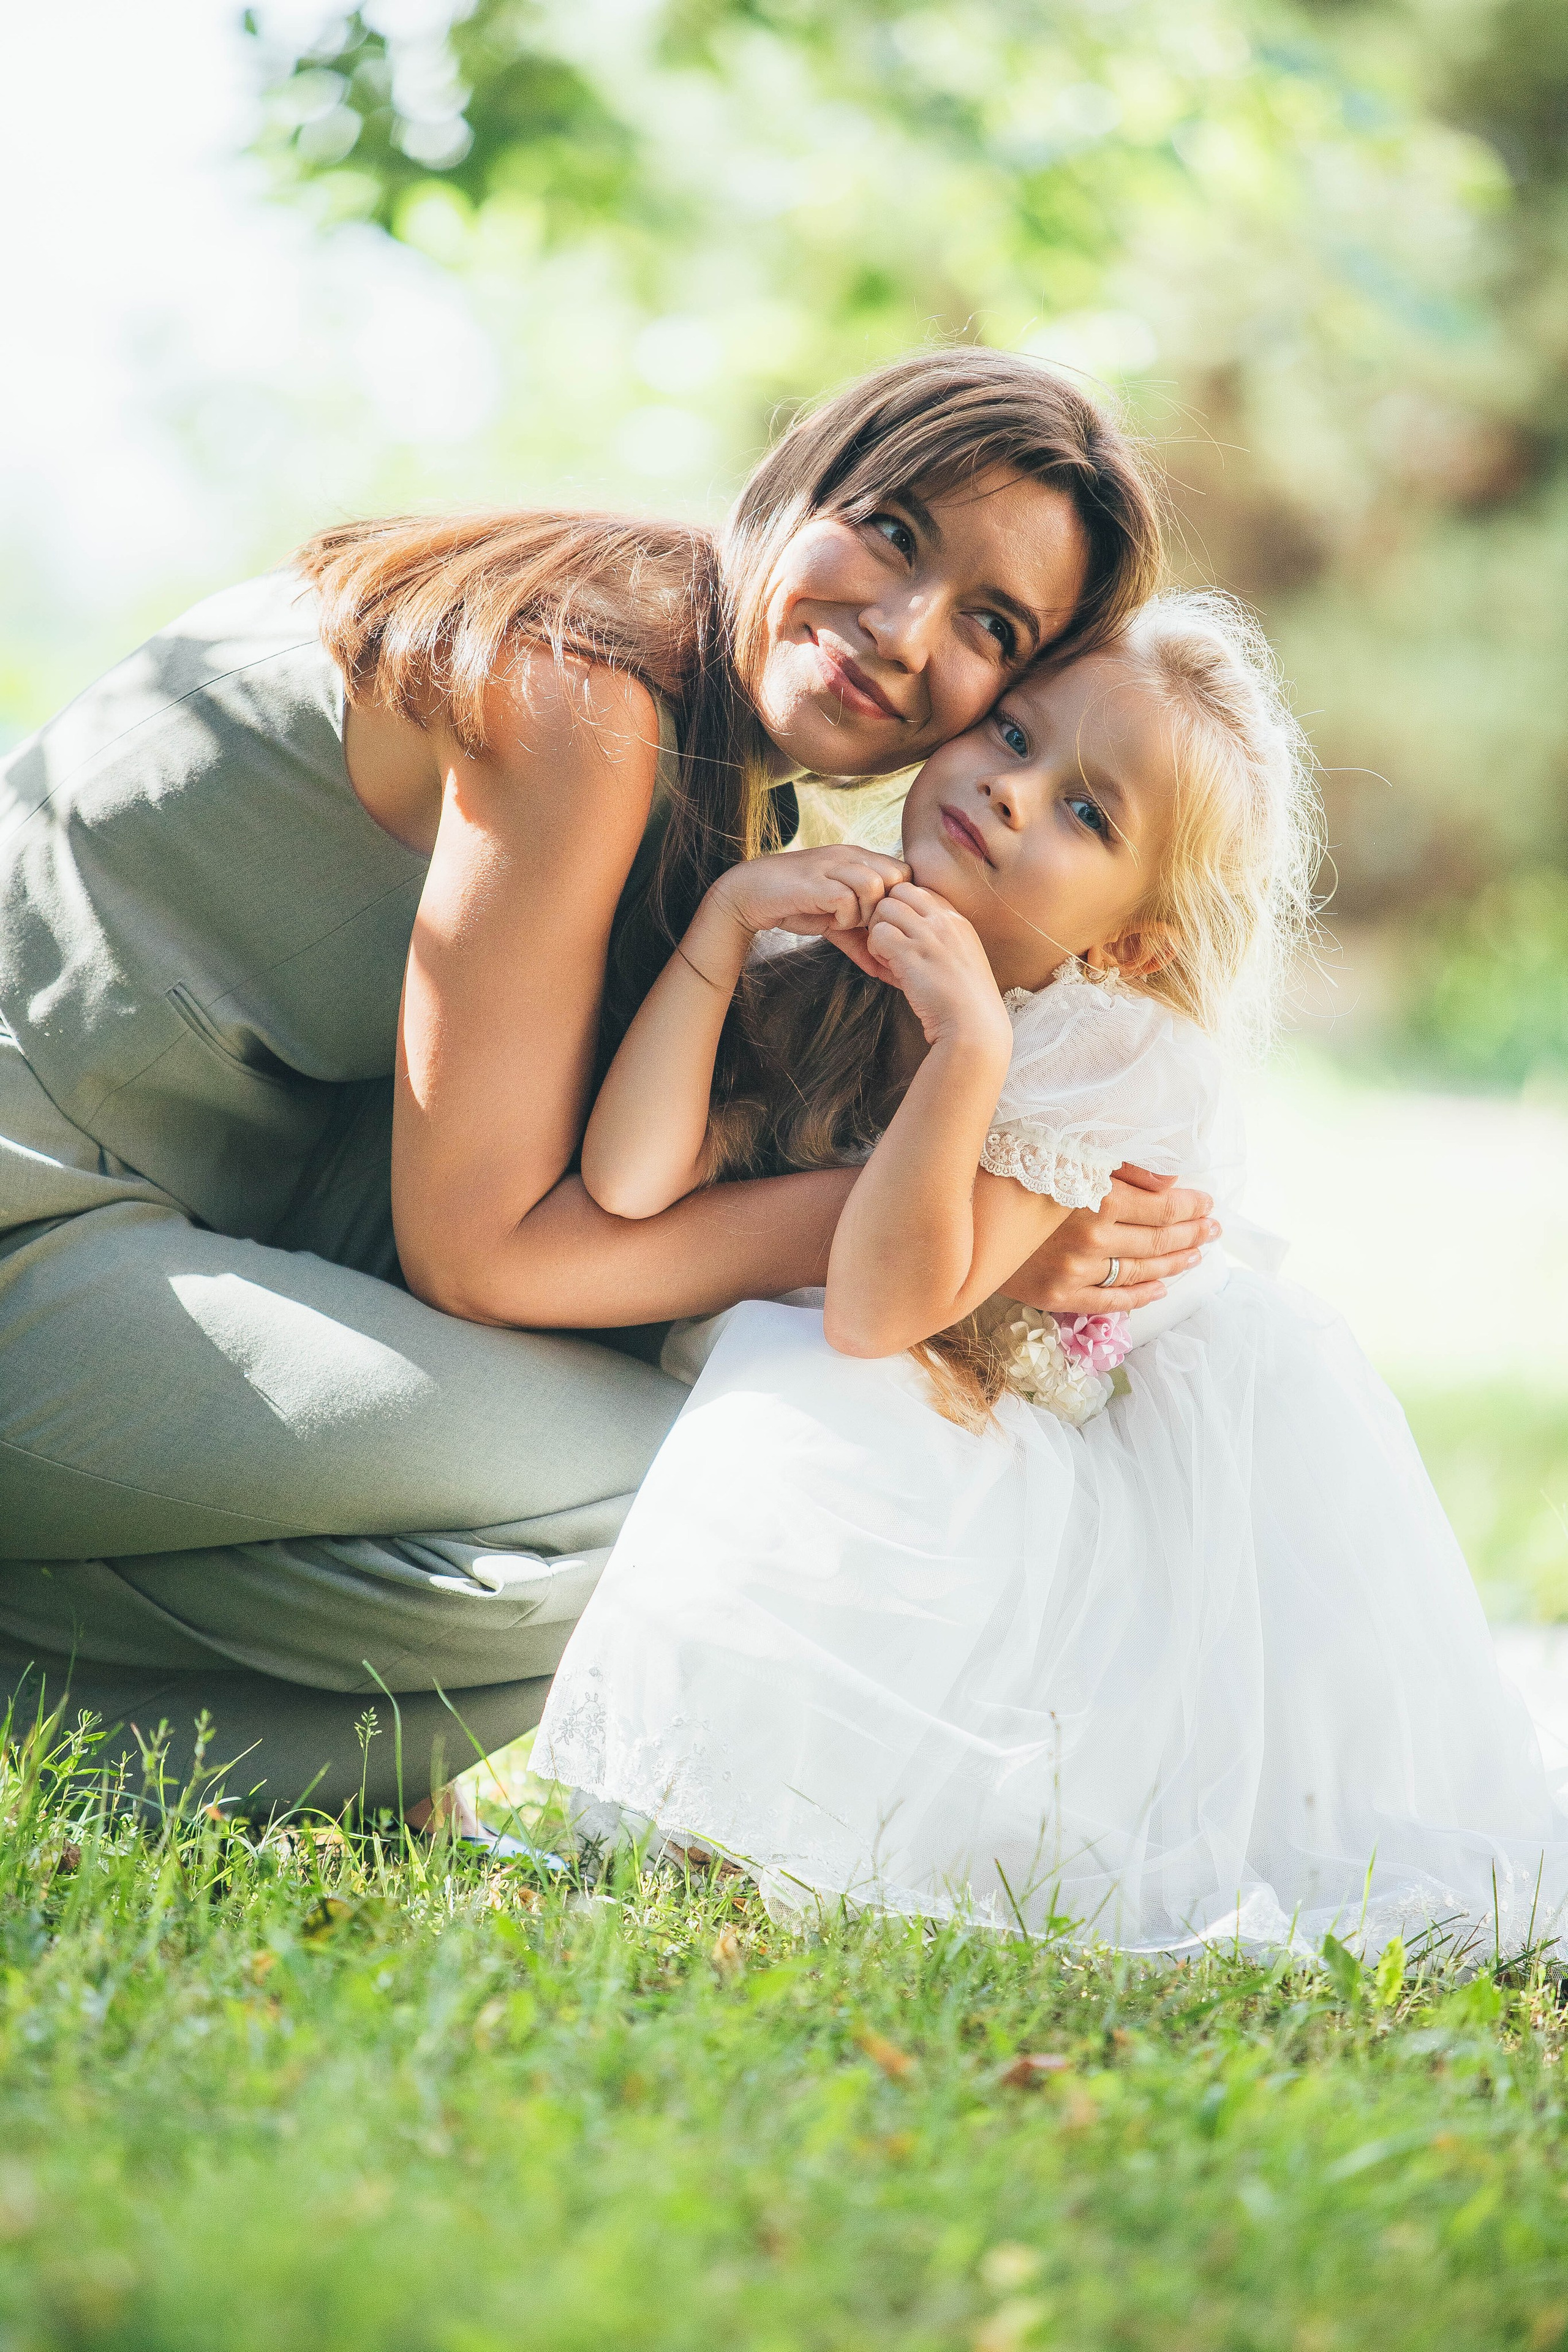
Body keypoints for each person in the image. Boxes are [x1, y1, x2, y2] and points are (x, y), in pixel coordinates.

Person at [0, 349, 1218, 1825]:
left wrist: (991, 1202)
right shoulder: (583, 691)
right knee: (706, 1498)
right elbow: (484, 1258)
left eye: (989, 626)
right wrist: (935, 1227)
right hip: (35, 1206)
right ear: (798, 480)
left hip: (180, 1197)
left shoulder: (709, 750)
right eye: (893, 533)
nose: (903, 633)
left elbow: (620, 1213)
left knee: (703, 1399)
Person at [537, 590, 1568, 1957]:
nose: (1012, 792)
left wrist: (968, 1046)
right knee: (793, 1409)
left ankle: (757, 1824)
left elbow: (878, 1310)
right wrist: (725, 931)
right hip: (895, 1371)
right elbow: (626, 1182)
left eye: (1087, 814)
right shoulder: (835, 928)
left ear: (1129, 941)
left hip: (1039, 1443)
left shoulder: (1104, 1049)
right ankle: (712, 1805)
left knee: (810, 1418)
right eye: (1013, 735)